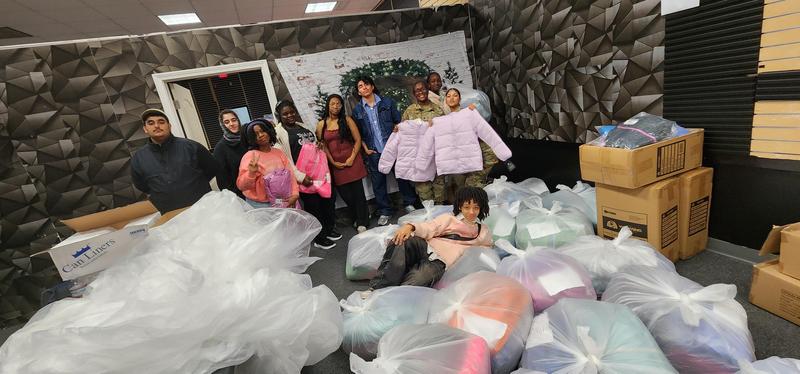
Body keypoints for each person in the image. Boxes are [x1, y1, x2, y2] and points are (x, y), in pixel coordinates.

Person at [361, 187, 492, 298]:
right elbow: (430, 227)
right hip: (426, 247)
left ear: (481, 208)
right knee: (402, 240)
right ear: (460, 206)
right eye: (467, 207)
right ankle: (377, 288)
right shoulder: (449, 219)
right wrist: (410, 227)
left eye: (476, 208)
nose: (471, 212)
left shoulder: (483, 231)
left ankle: (389, 297)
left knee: (419, 278)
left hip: (441, 262)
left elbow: (485, 252)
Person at [351, 76, 418, 226]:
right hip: (374, 151)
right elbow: (357, 132)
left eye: (366, 84)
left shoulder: (387, 103)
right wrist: (365, 148)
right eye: (360, 86)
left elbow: (398, 121)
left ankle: (409, 203)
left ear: (372, 86)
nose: (364, 87)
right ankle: (385, 211)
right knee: (378, 183)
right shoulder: (357, 110)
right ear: (359, 92)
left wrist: (397, 127)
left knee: (402, 176)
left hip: (393, 148)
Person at [275, 100, 339, 248]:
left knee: (327, 202)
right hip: (304, 177)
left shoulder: (302, 126)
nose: (290, 115)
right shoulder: (279, 133)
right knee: (314, 208)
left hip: (319, 174)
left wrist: (319, 145)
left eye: (292, 112)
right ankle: (319, 238)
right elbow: (285, 159)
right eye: (285, 114)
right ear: (279, 115)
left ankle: (328, 229)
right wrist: (300, 177)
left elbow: (314, 145)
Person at [131, 108, 220, 214]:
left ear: (169, 126)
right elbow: (141, 185)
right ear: (145, 129)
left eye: (161, 122)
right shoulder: (139, 158)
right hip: (170, 218)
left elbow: (212, 168)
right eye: (151, 123)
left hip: (203, 210)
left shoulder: (191, 147)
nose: (156, 126)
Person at [317, 94, 370, 234]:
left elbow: (358, 140)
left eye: (339, 104)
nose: (336, 106)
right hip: (336, 165)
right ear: (328, 105)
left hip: (352, 161)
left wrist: (352, 158)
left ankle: (362, 221)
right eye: (333, 103)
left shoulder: (347, 120)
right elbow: (323, 146)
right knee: (346, 195)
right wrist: (332, 162)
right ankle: (358, 217)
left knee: (358, 193)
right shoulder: (321, 124)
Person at [444, 88, 500, 189]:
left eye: (455, 95)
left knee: (471, 186)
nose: (452, 98)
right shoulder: (445, 119)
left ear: (460, 99)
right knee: (462, 187)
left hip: (481, 158)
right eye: (449, 96)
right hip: (463, 162)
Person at [236, 119, 299, 209]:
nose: (261, 135)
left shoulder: (278, 152)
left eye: (262, 131)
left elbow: (291, 174)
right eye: (256, 134)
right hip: (260, 206)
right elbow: (242, 186)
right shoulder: (250, 156)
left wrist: (295, 194)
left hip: (282, 201)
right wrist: (251, 173)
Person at [402, 81, 446, 204]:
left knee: (439, 192)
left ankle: (441, 218)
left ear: (428, 90)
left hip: (436, 157)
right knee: (424, 192)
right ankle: (430, 218)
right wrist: (398, 128)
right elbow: (405, 133)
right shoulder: (409, 111)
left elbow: (444, 133)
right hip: (419, 159)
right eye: (417, 91)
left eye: (423, 89)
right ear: (414, 94)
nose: (420, 92)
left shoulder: (438, 110)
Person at [213, 109, 248, 199]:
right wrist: (236, 198)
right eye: (227, 122)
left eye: (234, 120)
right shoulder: (220, 148)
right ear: (223, 125)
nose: (231, 124)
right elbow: (223, 181)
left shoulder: (247, 140)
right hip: (239, 197)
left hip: (257, 192)